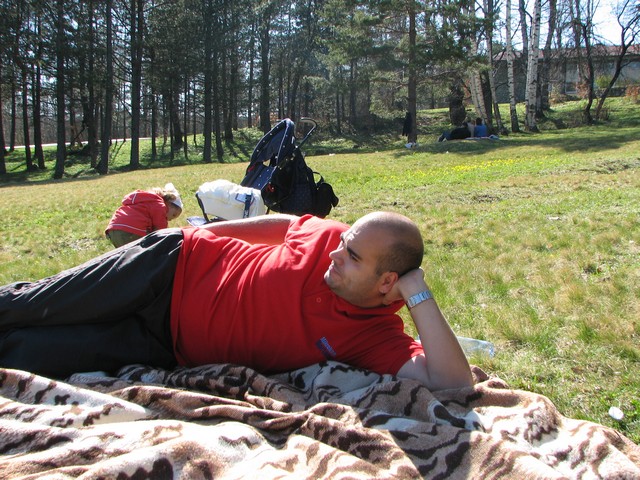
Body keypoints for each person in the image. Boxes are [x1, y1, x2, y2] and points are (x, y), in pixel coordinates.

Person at [0, 212, 473, 391]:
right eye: (343, 242)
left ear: (387, 283)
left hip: (164, 344)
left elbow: (452, 381)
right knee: (35, 305)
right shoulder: (327, 236)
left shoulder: (374, 337)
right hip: (167, 268)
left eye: (351, 257)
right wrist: (202, 233)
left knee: (31, 353)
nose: (334, 253)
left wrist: (419, 293)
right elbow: (284, 224)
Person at [105, 182, 183, 248]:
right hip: (130, 230)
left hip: (113, 228)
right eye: (173, 215)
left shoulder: (145, 199)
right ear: (169, 203)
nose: (170, 219)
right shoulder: (159, 205)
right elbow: (161, 231)